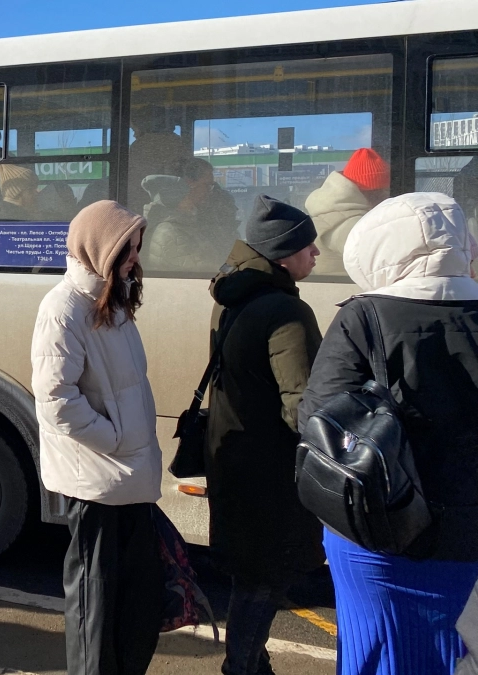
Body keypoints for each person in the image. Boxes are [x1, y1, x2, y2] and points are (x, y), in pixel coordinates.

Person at [300, 193, 478, 675]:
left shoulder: (365, 316)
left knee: (377, 651)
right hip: (468, 535)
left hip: (379, 533)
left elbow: (319, 420)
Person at [30, 200, 163, 675]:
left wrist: (129, 442)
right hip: (99, 484)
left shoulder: (113, 300)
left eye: (136, 248)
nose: (134, 258)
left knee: (138, 610)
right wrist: (115, 439)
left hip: (129, 479)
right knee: (96, 616)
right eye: (126, 249)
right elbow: (56, 399)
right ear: (99, 249)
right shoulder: (63, 307)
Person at [205, 195, 325, 675]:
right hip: (270, 472)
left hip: (233, 455)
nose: (315, 253)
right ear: (281, 254)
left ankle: (254, 666)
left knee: (251, 574)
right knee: (265, 581)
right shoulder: (286, 313)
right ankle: (241, 668)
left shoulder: (234, 296)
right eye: (307, 246)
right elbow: (304, 405)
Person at [304, 147, 390, 275]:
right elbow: (386, 261)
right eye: (386, 191)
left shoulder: (335, 211)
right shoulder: (348, 224)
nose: (388, 197)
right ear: (374, 192)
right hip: (343, 290)